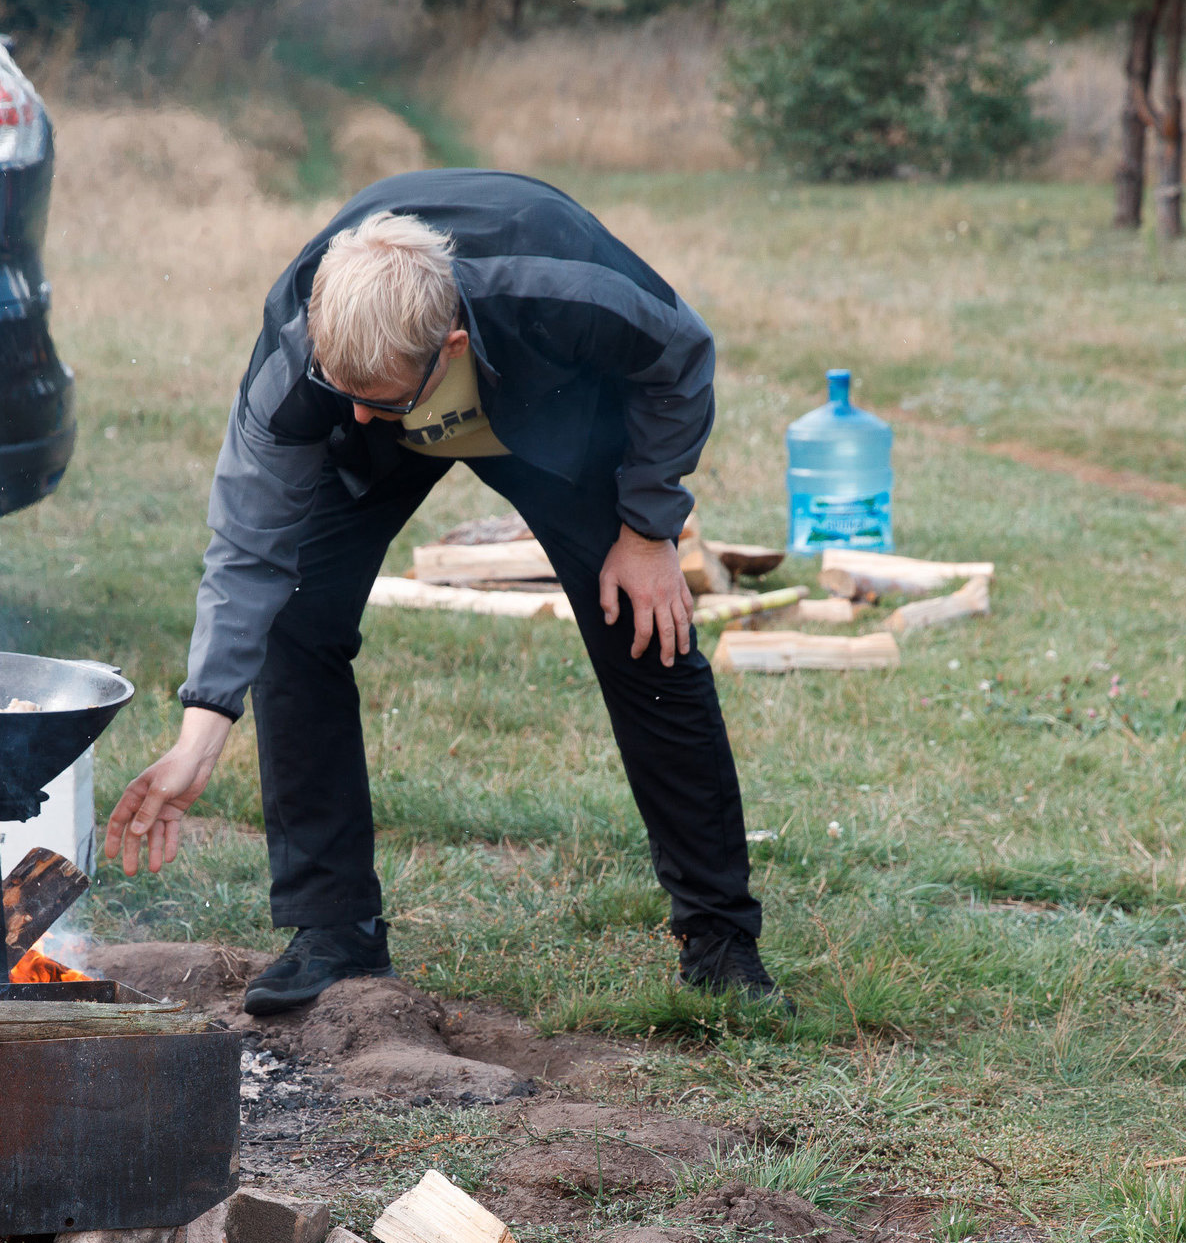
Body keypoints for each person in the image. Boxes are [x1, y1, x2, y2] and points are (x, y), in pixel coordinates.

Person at [102, 168, 782, 1016]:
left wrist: (647, 531)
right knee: (295, 618)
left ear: (451, 347)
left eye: (374, 399)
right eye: (339, 394)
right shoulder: (306, 365)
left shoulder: (563, 281)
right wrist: (204, 722)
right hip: (388, 396)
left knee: (644, 628)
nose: (352, 417)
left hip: (548, 401)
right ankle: (333, 931)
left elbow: (680, 357)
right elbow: (248, 547)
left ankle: (719, 936)